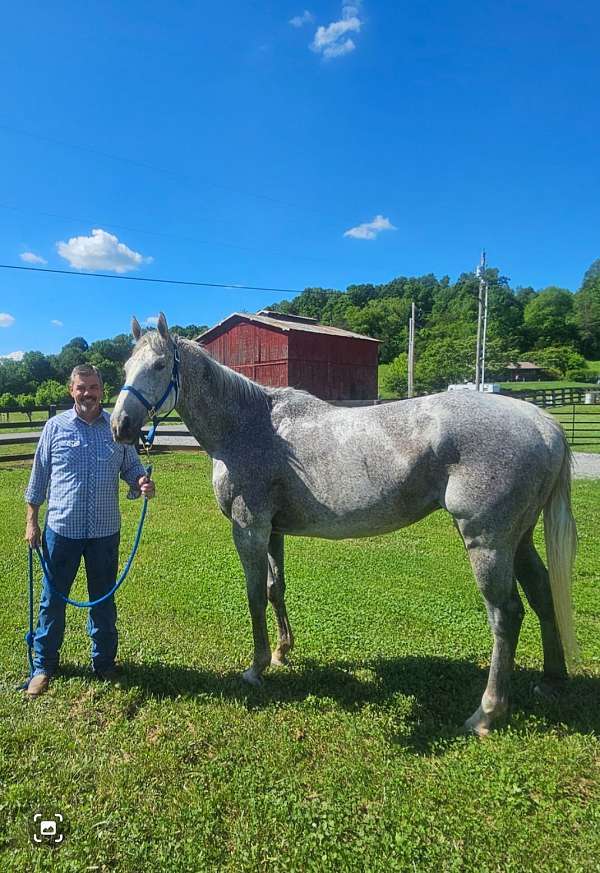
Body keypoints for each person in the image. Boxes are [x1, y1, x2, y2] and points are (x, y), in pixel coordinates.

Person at [24, 363, 155, 699]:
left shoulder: (115, 428)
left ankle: (104, 663)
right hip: (61, 530)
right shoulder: (54, 428)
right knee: (51, 601)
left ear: (102, 390)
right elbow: (38, 478)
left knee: (104, 601)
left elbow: (132, 468)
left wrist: (141, 481)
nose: (87, 394)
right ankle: (43, 667)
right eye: (81, 388)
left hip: (104, 532)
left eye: (93, 387)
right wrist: (31, 521)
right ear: (72, 391)